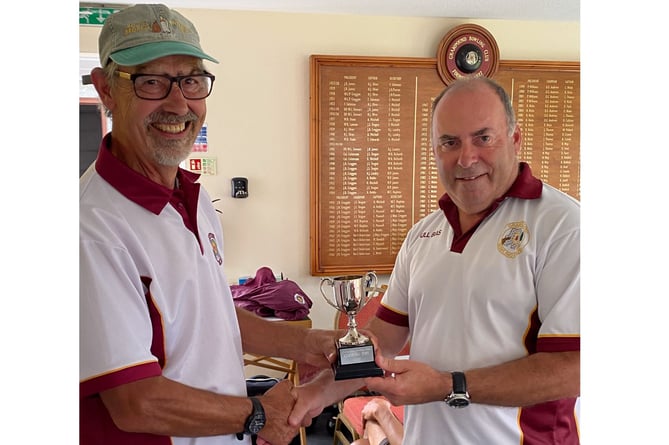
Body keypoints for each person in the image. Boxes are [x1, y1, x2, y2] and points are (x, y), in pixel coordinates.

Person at [79, 4, 336, 445]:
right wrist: (257, 414)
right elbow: (135, 401)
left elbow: (209, 317)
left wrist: (303, 344)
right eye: (152, 81)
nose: (179, 103)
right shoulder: (89, 227)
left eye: (192, 80)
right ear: (106, 90)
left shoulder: (193, 199)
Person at [291, 76, 580, 444]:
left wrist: (448, 385)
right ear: (434, 150)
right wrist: (315, 393)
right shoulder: (423, 234)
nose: (466, 157)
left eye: (483, 138)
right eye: (449, 142)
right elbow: (383, 341)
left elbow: (573, 368)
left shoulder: (564, 227)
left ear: (515, 138)